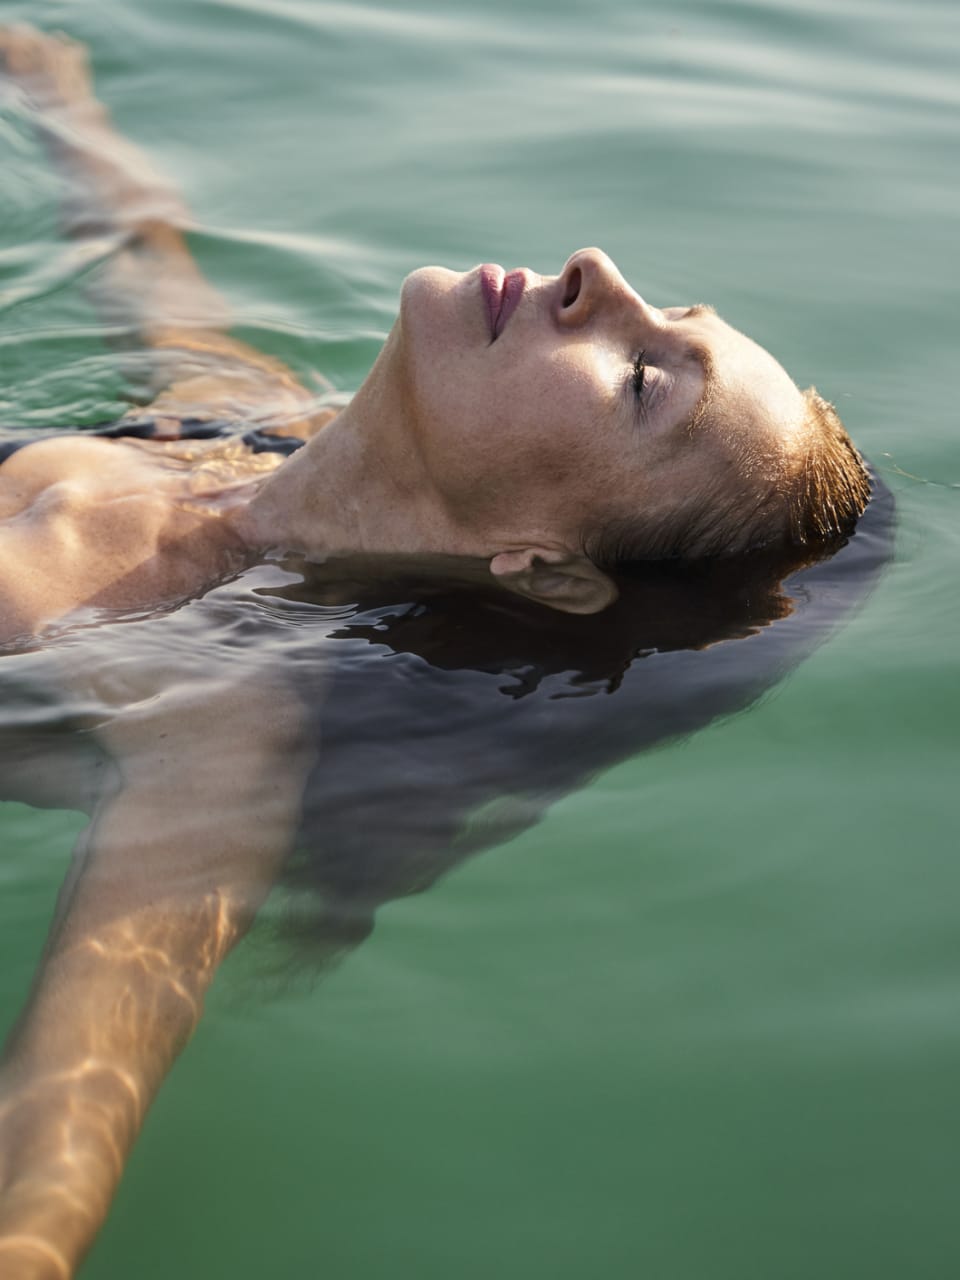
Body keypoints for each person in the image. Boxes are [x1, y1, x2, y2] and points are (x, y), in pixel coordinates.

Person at [0, 25, 874, 1279]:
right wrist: (56, 93)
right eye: (669, 310)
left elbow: (66, 1111)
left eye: (641, 381)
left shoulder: (214, 713)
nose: (596, 272)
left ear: (549, 563)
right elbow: (144, 255)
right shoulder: (233, 422)